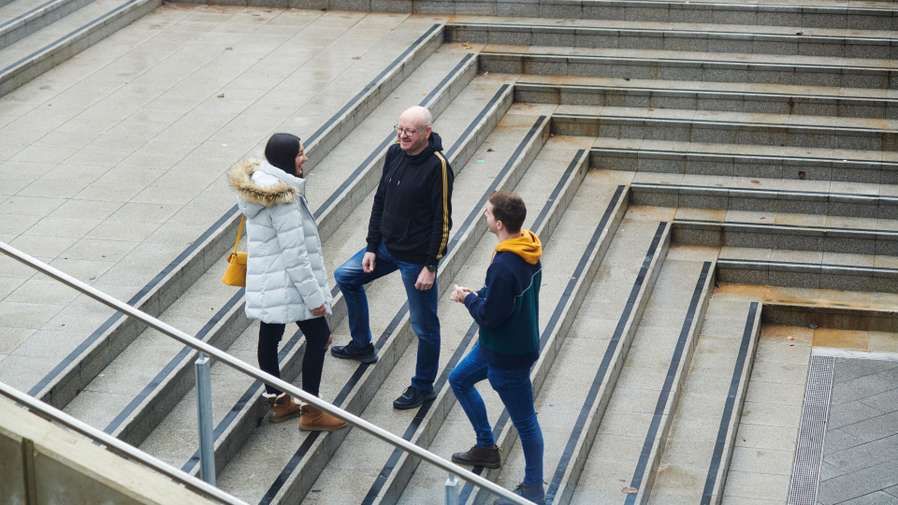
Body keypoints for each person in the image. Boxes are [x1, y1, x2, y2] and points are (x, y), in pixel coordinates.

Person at [331, 105, 454, 410]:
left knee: (424, 326)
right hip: (386, 247)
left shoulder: (438, 166)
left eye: (410, 131)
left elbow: (443, 220)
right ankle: (362, 344)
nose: (402, 135)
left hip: (417, 259)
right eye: (399, 129)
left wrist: (431, 265)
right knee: (345, 276)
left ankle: (423, 386)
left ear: (427, 132)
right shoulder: (394, 153)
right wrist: (372, 246)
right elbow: (380, 200)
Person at [229, 133, 346, 432]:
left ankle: (279, 402)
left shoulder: (260, 185)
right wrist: (316, 300)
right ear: (286, 159)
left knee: (270, 335)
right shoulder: (283, 198)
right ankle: (312, 411)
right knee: (319, 337)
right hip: (289, 283)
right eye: (300, 153)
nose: (305, 157)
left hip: (270, 280)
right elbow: (295, 254)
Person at [448, 191, 545, 505]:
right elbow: (502, 298)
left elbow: (490, 316)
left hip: (508, 354)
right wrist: (479, 294)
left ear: (500, 223)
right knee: (458, 379)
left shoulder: (504, 264)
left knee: (526, 423)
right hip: (497, 345)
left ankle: (534, 489)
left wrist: (468, 299)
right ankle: (485, 446)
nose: (484, 216)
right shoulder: (528, 245)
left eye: (488, 213)